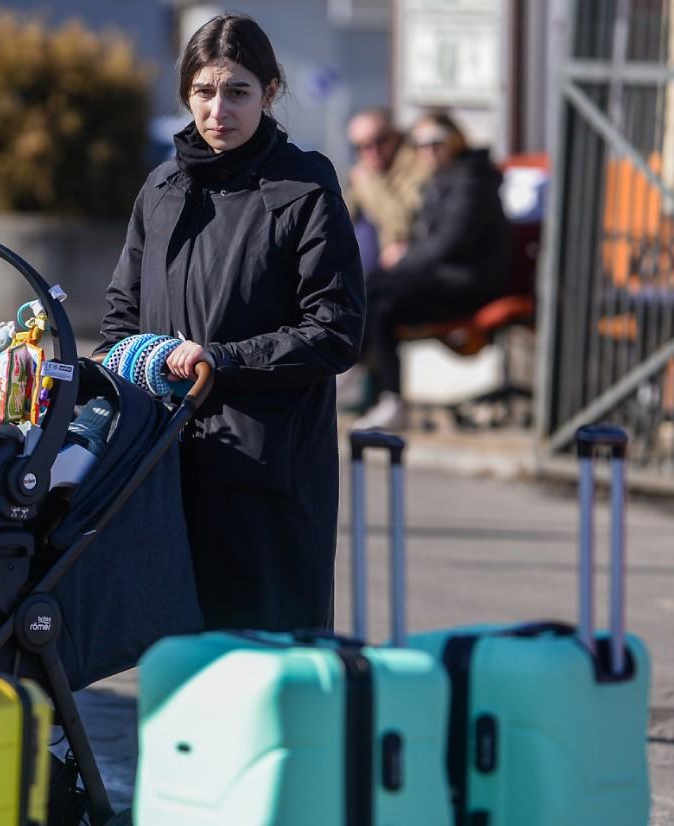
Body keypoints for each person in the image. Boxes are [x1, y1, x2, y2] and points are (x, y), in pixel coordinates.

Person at [97, 14, 366, 632]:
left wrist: (220, 360)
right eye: (204, 91)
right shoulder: (161, 188)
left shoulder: (304, 188)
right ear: (186, 94)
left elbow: (335, 328)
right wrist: (133, 369)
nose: (219, 110)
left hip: (265, 474)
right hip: (163, 468)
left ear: (271, 92)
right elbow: (120, 320)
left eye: (238, 91)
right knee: (179, 665)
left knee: (266, 663)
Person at [353, 111, 511, 430]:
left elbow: (449, 244)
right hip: (442, 279)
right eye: (420, 144)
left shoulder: (471, 179)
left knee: (376, 285)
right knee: (382, 306)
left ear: (454, 138)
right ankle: (390, 400)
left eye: (435, 141)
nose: (427, 150)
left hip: (469, 283)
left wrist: (403, 258)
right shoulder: (442, 177)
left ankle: (351, 370)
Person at [345, 107, 429, 272]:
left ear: (396, 137)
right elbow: (342, 216)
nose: (372, 151)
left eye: (380, 141)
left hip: (416, 258)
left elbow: (403, 225)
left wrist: (370, 185)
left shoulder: (418, 165)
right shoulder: (364, 173)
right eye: (362, 146)